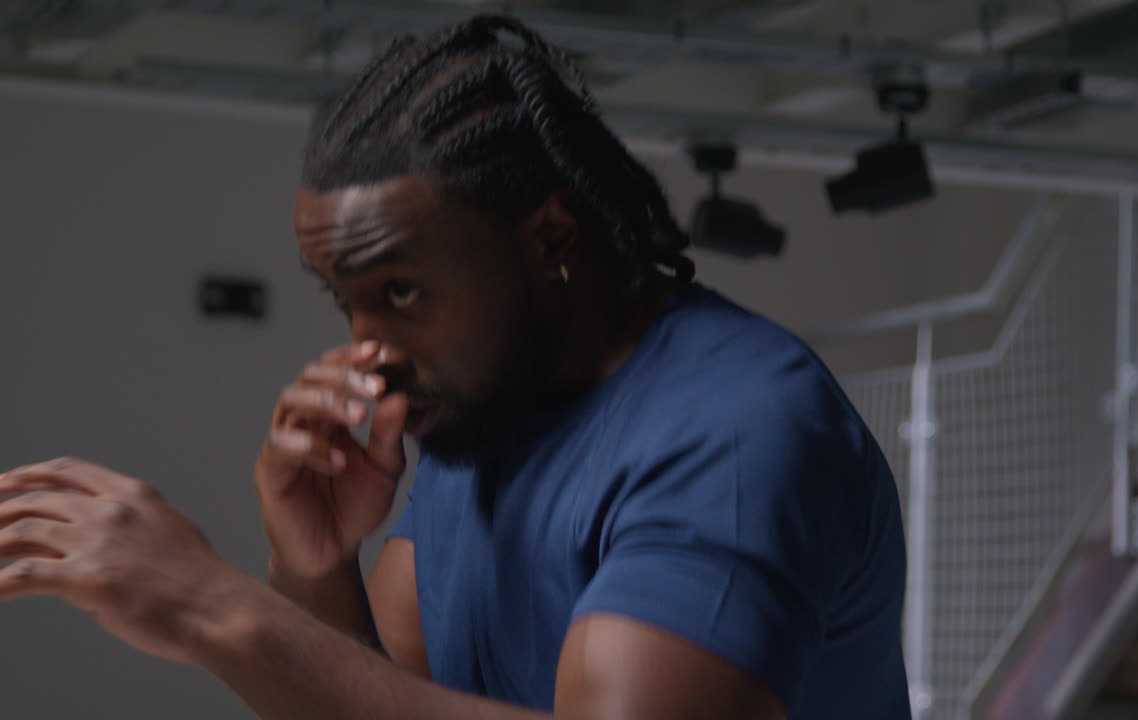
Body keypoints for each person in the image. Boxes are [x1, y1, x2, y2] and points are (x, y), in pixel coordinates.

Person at [0, 14, 909, 720]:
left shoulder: (735, 432)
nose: (367, 353)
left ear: (550, 235)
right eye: (341, 300)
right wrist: (313, 567)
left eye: (400, 294)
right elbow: (370, 699)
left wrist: (213, 606)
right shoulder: (490, 421)